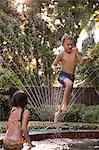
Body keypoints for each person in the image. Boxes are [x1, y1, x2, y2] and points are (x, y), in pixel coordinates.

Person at [51, 33, 87, 123]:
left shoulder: (75, 51)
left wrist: (85, 59)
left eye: (71, 44)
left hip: (71, 76)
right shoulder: (61, 54)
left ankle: (57, 114)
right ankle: (64, 105)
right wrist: (54, 68)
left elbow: (80, 61)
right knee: (69, 84)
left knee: (68, 98)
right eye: (68, 44)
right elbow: (54, 64)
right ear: (62, 45)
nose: (70, 46)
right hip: (63, 75)